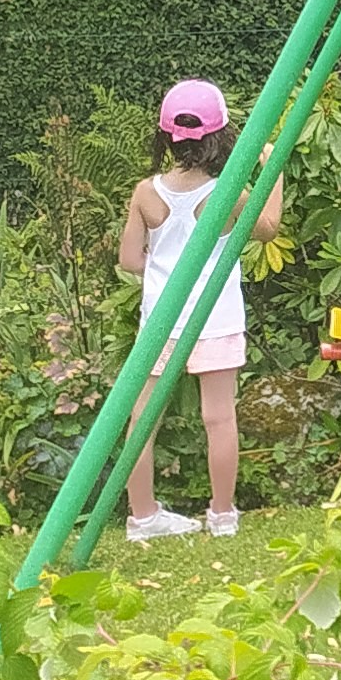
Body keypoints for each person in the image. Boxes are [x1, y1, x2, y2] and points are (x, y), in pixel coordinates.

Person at [115, 79, 286, 541]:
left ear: (165, 136)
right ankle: (223, 515)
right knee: (219, 417)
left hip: (160, 322)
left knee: (141, 418)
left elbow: (129, 261)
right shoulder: (227, 194)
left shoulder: (144, 193)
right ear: (220, 137)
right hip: (216, 319)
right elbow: (268, 228)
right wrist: (275, 169)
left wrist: (160, 266)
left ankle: (143, 517)